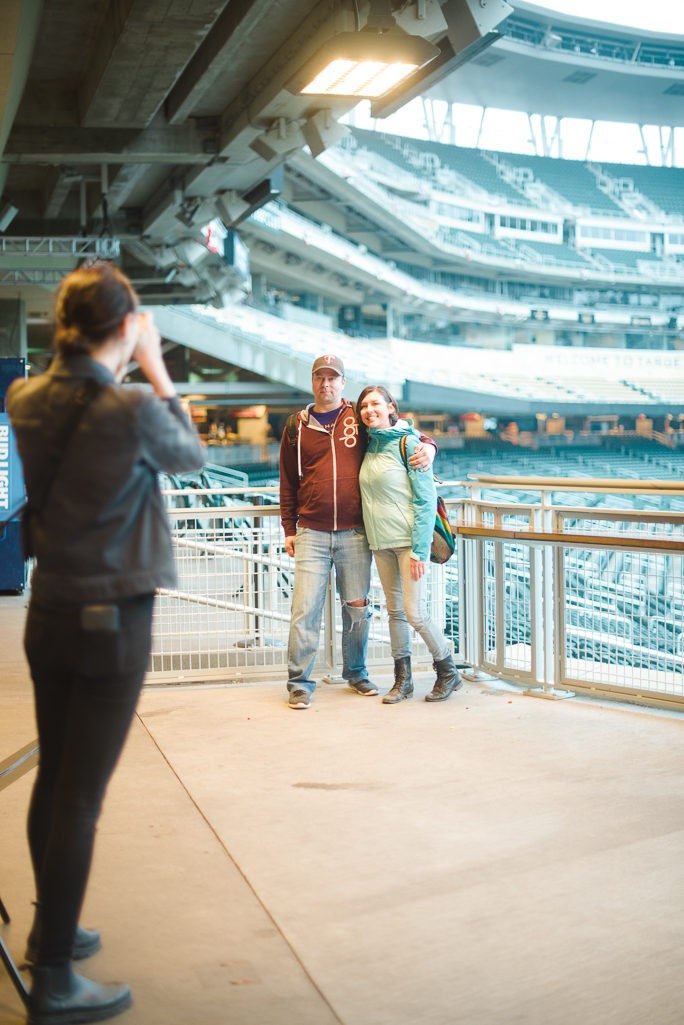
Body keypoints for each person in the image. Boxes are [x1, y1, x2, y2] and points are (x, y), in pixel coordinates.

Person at [7, 263, 204, 1025]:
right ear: (125, 327)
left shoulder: (25, 395)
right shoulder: (129, 409)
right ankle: (53, 977)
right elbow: (188, 452)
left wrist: (127, 350)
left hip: (48, 609)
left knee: (55, 779)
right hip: (113, 619)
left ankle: (50, 928)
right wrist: (153, 364)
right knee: (80, 799)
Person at [279, 355, 436, 709]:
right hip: (311, 533)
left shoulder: (358, 416)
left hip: (354, 533)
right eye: (320, 378)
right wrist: (289, 527)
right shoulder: (296, 427)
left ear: (342, 382)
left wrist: (429, 445)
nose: (326, 384)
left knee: (357, 608)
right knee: (305, 611)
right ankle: (299, 682)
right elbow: (287, 482)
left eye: (333, 378)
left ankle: (356, 672)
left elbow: (405, 432)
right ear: (313, 381)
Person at [357, 385, 462, 704]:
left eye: (376, 403)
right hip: (380, 541)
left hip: (408, 543)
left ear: (391, 408)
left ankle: (447, 670)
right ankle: (403, 681)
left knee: (415, 613)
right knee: (395, 612)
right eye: (363, 406)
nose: (369, 410)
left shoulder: (409, 443)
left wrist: (419, 549)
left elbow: (426, 500)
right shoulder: (368, 444)